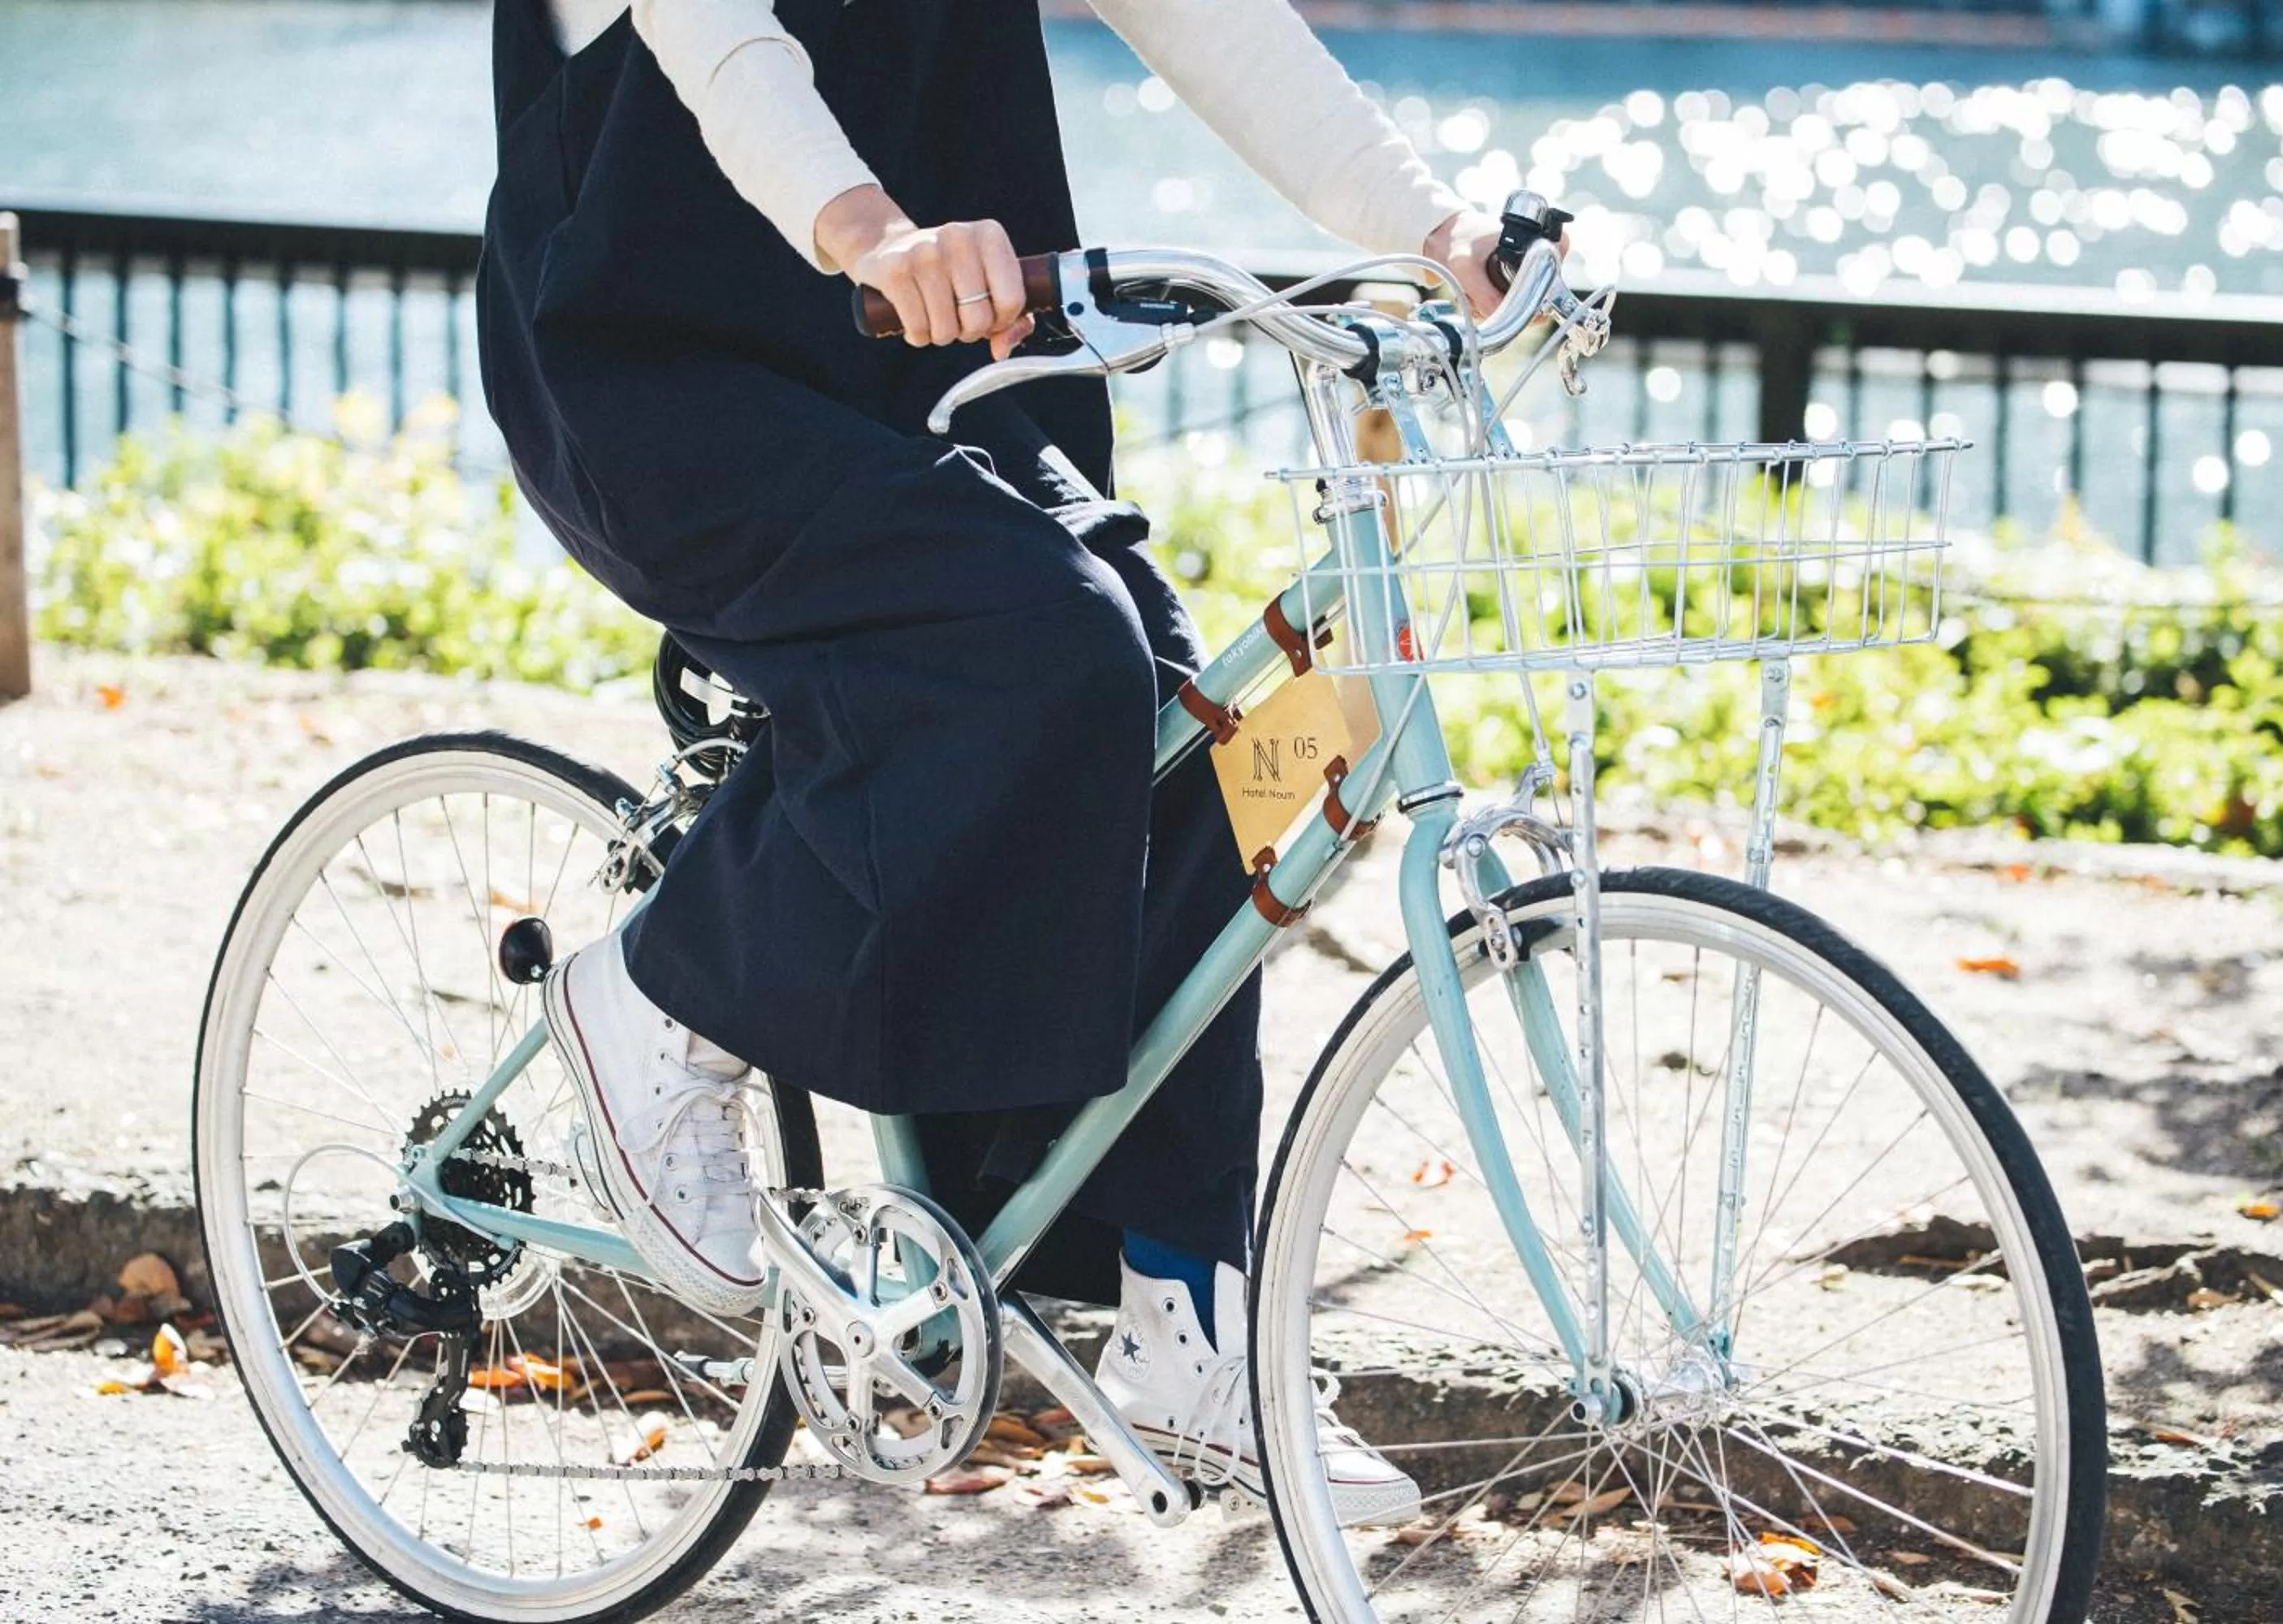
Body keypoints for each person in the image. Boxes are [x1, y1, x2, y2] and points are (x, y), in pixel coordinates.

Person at [480, 0, 1514, 1525]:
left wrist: (1432, 227)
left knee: (1186, 718)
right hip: (662, 367)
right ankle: (653, 994)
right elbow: (720, 41)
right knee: (1034, 648)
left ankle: (1182, 1309)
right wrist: (867, 227)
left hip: (923, 362)